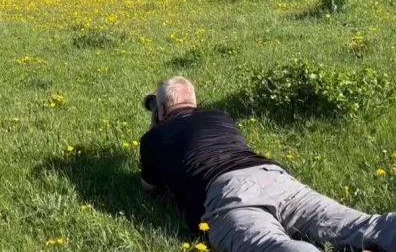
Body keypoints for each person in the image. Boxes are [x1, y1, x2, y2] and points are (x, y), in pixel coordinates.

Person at [139, 76, 396, 252]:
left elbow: (150, 187)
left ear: (161, 108)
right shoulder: (220, 116)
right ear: (195, 101)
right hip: (275, 177)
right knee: (361, 225)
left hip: (227, 193)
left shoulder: (154, 137)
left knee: (272, 246)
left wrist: (156, 127)